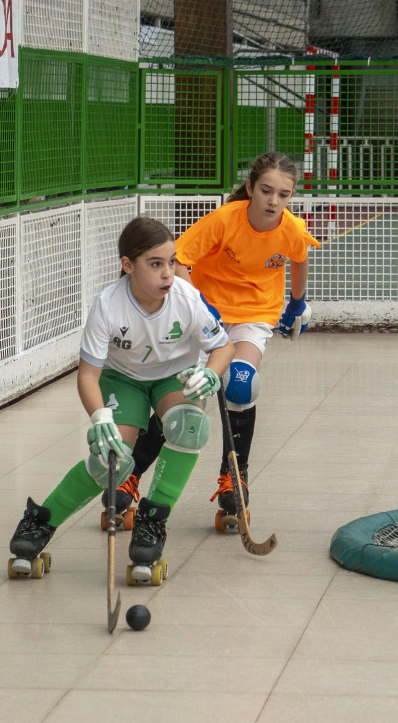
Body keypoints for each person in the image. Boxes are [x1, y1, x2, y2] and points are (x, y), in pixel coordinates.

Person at [101, 151, 321, 523]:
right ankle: (129, 478)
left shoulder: (292, 229)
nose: (274, 201)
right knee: (185, 399)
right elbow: (179, 259)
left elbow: (299, 257)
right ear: (250, 188)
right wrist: (200, 304)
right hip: (205, 317)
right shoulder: (225, 220)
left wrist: (297, 303)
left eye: (284, 195)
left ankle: (234, 478)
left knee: (241, 384)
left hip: (253, 316)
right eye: (266, 191)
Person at [8, 216, 233, 576]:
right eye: (155, 264)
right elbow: (88, 375)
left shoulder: (186, 298)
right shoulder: (108, 304)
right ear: (128, 265)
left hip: (174, 378)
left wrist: (211, 372)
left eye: (172, 262)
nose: (167, 273)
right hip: (123, 379)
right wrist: (99, 418)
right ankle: (40, 520)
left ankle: (151, 521)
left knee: (189, 426)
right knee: (112, 457)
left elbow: (223, 346)